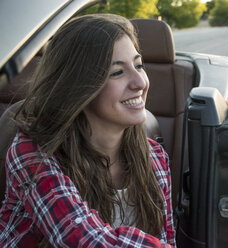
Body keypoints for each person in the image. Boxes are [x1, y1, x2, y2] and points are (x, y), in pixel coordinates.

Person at [0, 14, 175, 247]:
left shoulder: (155, 158)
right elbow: (83, 239)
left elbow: (166, 239)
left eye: (139, 65)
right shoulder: (32, 152)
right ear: (79, 86)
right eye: (117, 72)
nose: (140, 83)